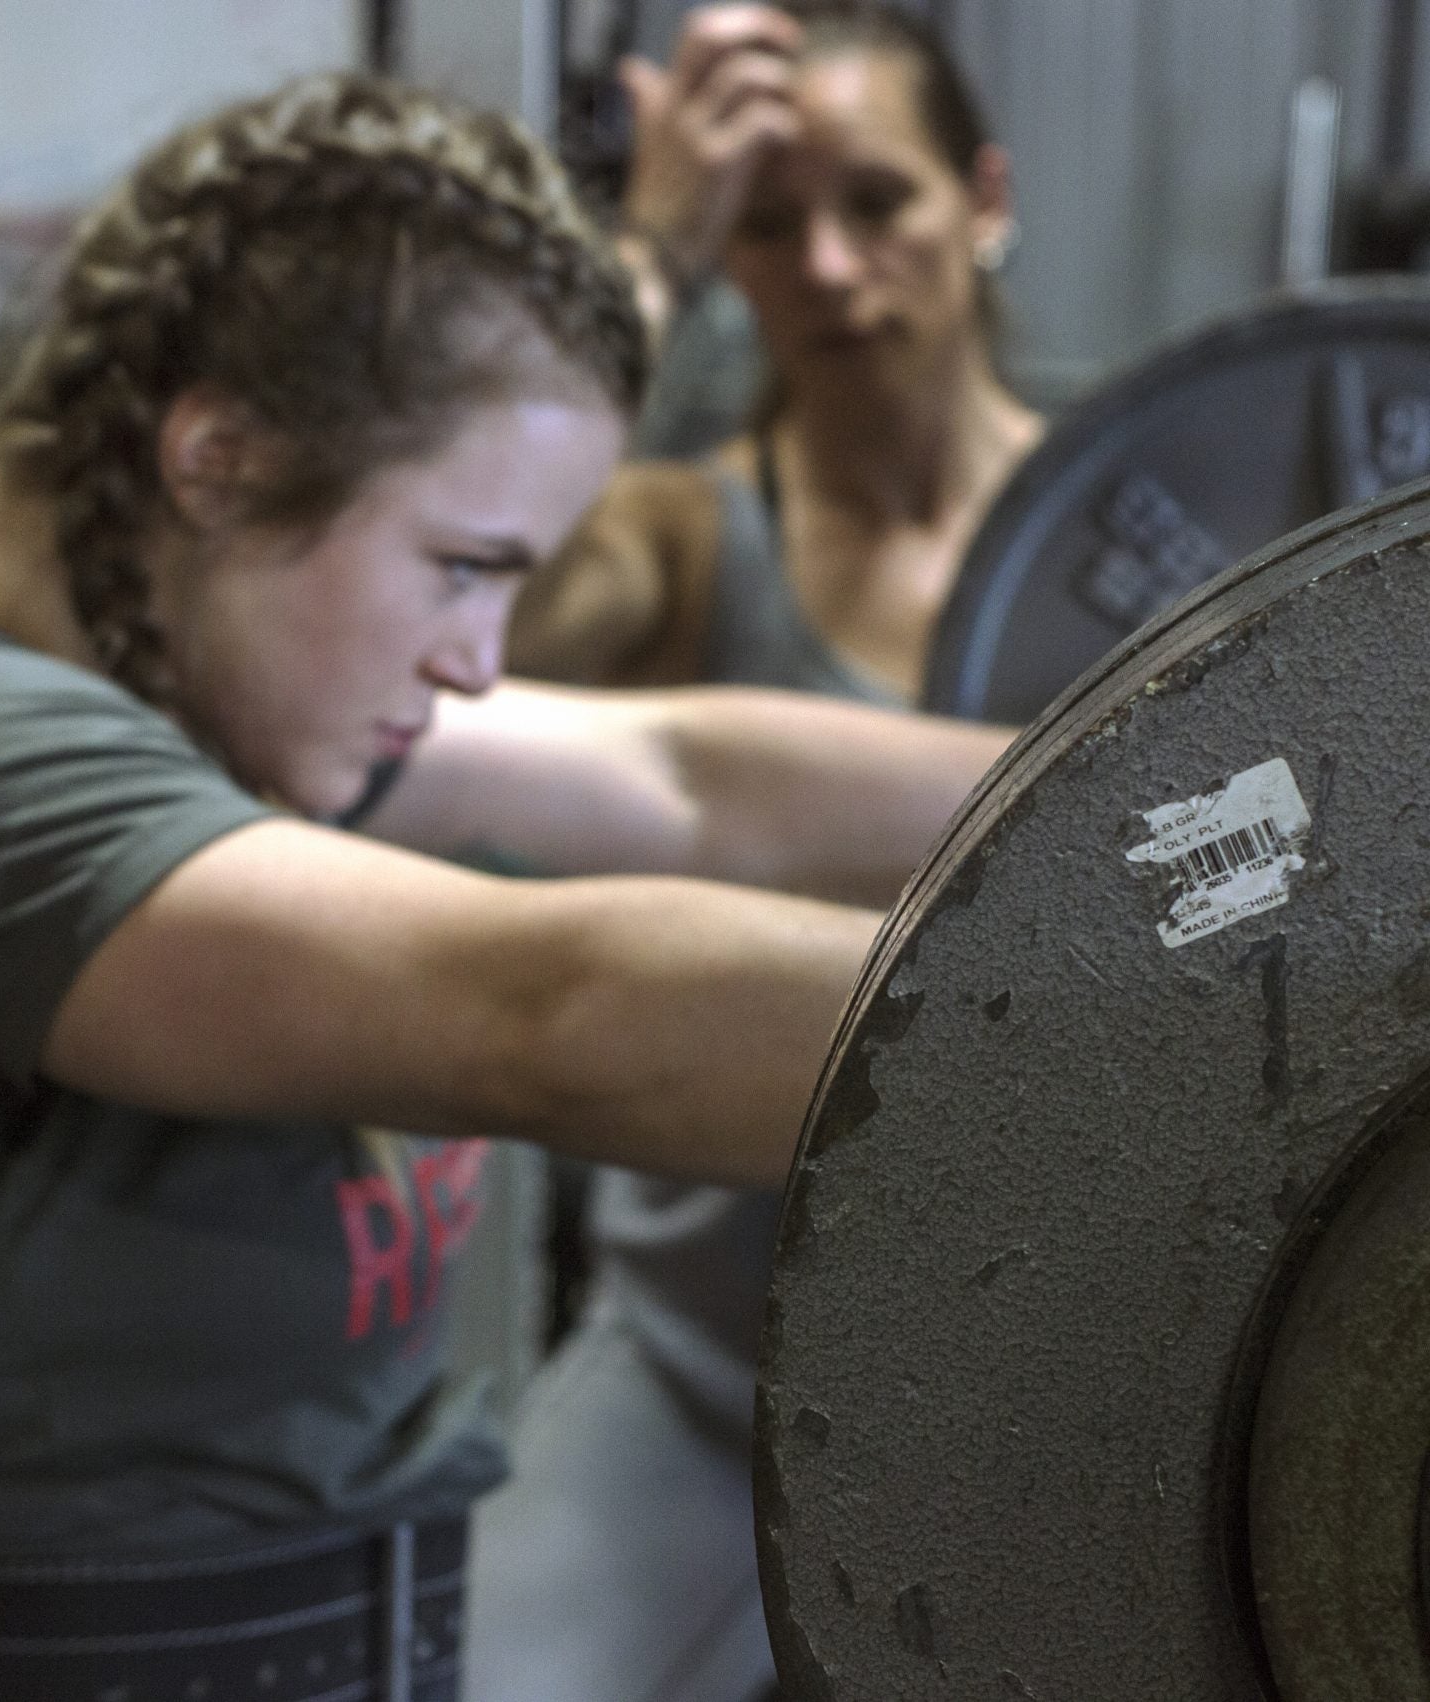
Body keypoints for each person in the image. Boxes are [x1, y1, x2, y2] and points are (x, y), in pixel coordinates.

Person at [0, 70, 1007, 1702]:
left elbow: (684, 778)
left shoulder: (203, 673)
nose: (473, 663)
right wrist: (1172, 1038)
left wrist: (1204, 802)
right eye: (462, 567)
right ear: (219, 462)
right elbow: (539, 1012)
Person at [468, 8, 1044, 1700]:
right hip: (712, 1359)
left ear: (985, 197)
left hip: (1071, 1383)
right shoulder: (672, 531)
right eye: (771, 226)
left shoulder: (1149, 526)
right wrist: (641, 247)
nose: (834, 266)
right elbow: (470, 597)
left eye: (881, 201)